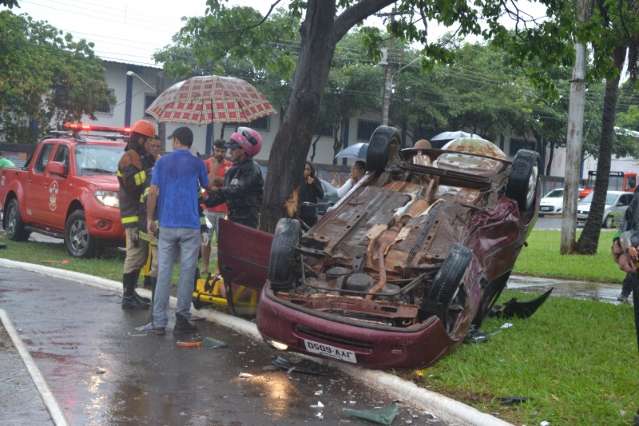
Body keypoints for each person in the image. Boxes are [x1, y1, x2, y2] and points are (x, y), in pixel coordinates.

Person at [141, 127, 208, 337]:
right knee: (188, 272)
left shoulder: (162, 162)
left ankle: (159, 322)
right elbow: (206, 187)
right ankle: (182, 318)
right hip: (190, 224)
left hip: (168, 224)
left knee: (164, 273)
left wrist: (150, 218)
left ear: (177, 140)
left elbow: (153, 192)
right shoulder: (197, 162)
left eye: (173, 140)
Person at [117, 119, 157, 310]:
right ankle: (127, 297)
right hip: (132, 216)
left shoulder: (138, 156)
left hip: (138, 215)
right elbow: (131, 184)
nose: (150, 143)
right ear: (140, 140)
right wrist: (149, 171)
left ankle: (132, 293)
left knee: (140, 257)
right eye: (149, 140)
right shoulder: (129, 157)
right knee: (134, 256)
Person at [204, 127, 264, 229]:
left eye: (233, 148)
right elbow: (222, 196)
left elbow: (237, 190)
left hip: (247, 222)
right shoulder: (232, 170)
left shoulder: (252, 169)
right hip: (233, 220)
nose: (230, 152)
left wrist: (216, 189)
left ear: (243, 150)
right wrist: (204, 199)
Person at [200, 139, 232, 275]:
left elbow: (228, 184)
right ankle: (205, 267)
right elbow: (205, 182)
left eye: (223, 151)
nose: (220, 153)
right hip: (207, 209)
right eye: (218, 150)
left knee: (222, 242)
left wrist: (216, 183)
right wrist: (213, 175)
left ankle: (219, 269)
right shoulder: (206, 163)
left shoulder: (230, 165)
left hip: (224, 209)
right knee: (206, 239)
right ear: (213, 149)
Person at [299, 162, 324, 227]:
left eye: (308, 169)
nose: (306, 171)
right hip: (300, 213)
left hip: (310, 214)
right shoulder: (299, 180)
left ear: (311, 171)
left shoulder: (315, 180)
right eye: (304, 169)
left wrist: (313, 184)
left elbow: (321, 195)